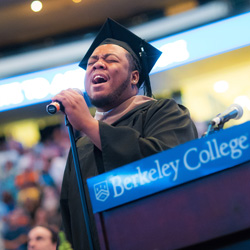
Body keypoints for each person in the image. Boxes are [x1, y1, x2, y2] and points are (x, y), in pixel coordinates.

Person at [52, 18, 198, 250]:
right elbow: (73, 223)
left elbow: (167, 168)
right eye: (92, 62)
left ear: (134, 77)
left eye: (110, 59)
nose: (97, 64)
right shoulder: (79, 147)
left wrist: (90, 125)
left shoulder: (165, 113)